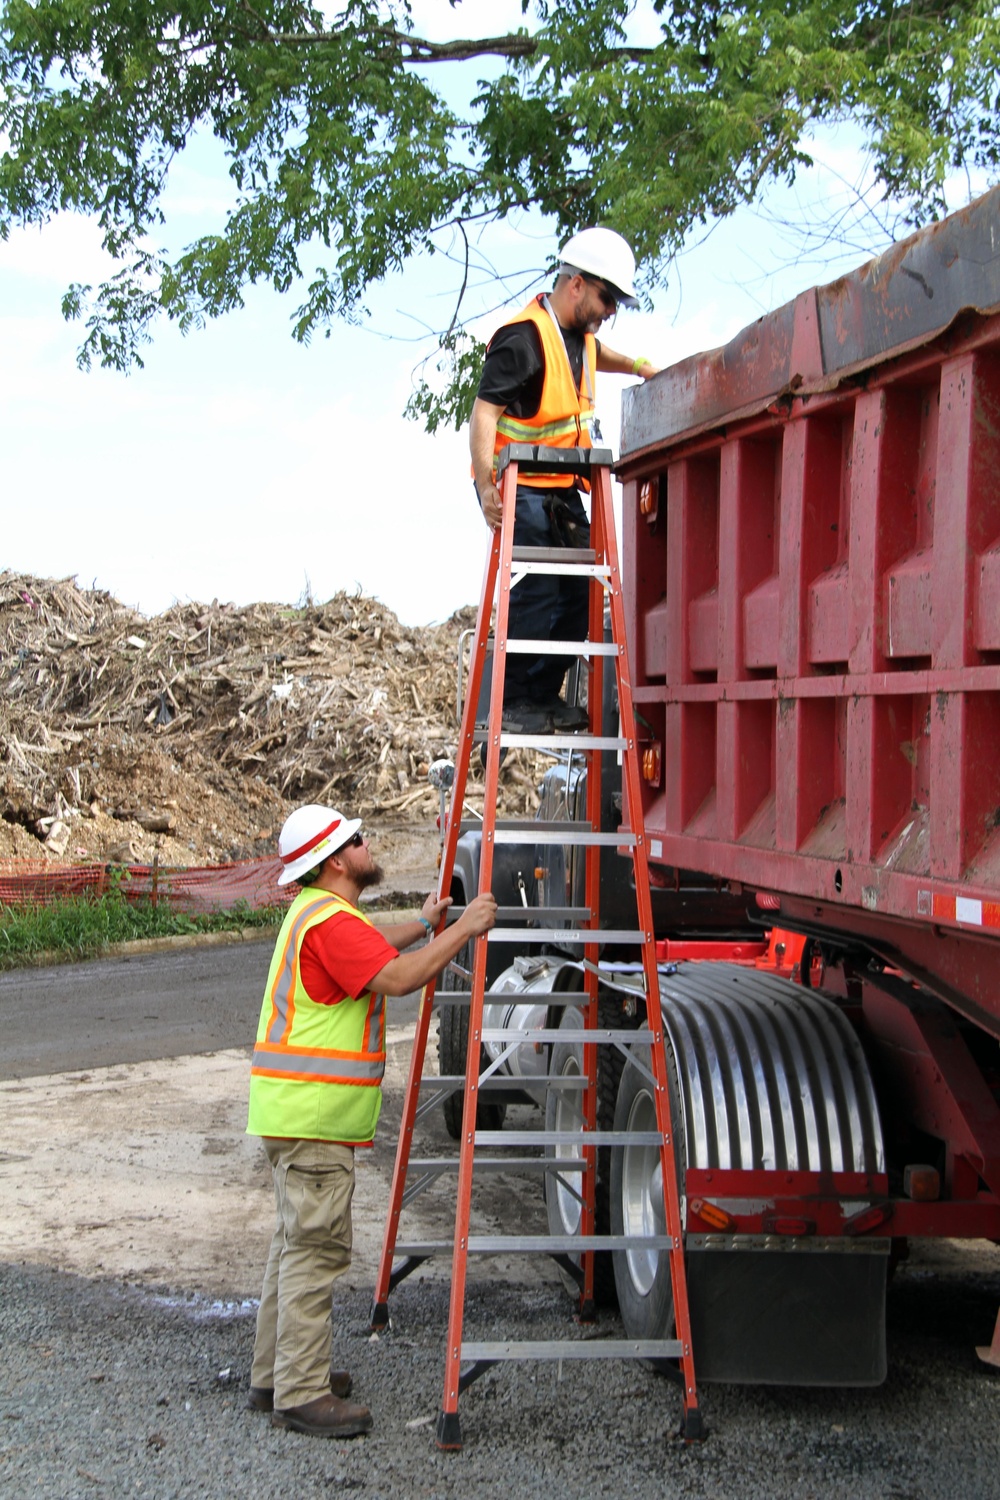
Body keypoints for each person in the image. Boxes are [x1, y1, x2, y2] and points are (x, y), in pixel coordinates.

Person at [246, 803, 497, 1438]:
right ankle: (301, 1393)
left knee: (291, 1245)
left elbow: (374, 949)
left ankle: (275, 1374)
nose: (368, 845)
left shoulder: (319, 915)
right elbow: (397, 976)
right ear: (335, 860)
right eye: (357, 840)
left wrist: (423, 923)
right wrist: (464, 929)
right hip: (316, 1119)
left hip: (293, 1113)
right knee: (315, 1250)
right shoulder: (331, 921)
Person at [469, 227, 660, 733]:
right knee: (539, 590)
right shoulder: (524, 339)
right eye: (606, 297)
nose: (610, 309)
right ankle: (514, 700)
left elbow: (602, 356)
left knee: (579, 597)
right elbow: (483, 413)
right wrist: (486, 487)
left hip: (561, 490)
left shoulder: (580, 338)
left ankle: (540, 694)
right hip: (523, 488)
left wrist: (640, 366)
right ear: (575, 284)